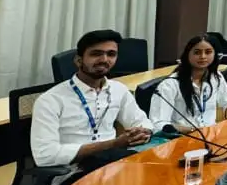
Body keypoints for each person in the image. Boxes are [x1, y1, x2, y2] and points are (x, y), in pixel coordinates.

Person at [31, 29, 153, 168]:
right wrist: (113, 144)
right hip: (72, 172)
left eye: (111, 54)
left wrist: (142, 132)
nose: (104, 60)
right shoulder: (51, 100)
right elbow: (45, 156)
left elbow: (142, 121)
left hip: (112, 165)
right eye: (96, 54)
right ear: (78, 60)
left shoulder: (118, 90)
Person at [150, 34, 227, 133]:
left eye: (208, 52)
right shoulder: (169, 85)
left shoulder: (215, 77)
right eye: (197, 52)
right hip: (182, 136)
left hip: (210, 135)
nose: (203, 56)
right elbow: (158, 124)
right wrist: (194, 131)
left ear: (215, 54)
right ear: (187, 55)